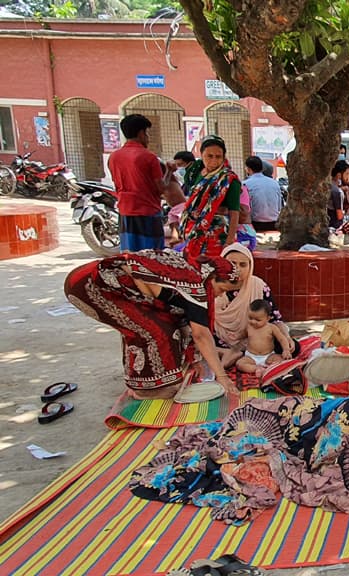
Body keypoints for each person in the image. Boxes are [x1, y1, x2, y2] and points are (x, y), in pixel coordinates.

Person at [64, 250, 239, 399]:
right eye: (221, 290)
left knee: (167, 323)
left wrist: (195, 360)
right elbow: (200, 334)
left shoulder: (197, 275)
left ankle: (150, 382)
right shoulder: (195, 283)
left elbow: (187, 322)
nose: (218, 296)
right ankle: (145, 389)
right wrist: (222, 377)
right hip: (90, 284)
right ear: (213, 278)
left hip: (113, 285)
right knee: (154, 331)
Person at [108, 114, 184, 252]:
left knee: (129, 256)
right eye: (147, 133)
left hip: (125, 212)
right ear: (141, 133)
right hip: (147, 213)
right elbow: (161, 188)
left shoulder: (114, 157)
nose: (148, 138)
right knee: (152, 256)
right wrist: (169, 171)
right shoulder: (149, 157)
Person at [214, 242, 297, 367]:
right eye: (232, 263)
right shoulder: (213, 285)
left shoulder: (258, 286)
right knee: (204, 342)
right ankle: (230, 353)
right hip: (221, 340)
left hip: (254, 340)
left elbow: (274, 318)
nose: (237, 269)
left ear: (250, 266)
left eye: (243, 265)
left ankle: (235, 355)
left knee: (292, 346)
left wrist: (286, 338)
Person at [179, 135, 242, 261]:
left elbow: (234, 212)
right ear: (201, 155)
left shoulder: (228, 180)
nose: (213, 160)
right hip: (194, 232)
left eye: (218, 157)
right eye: (209, 156)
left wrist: (229, 242)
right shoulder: (196, 173)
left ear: (224, 158)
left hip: (217, 236)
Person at [235, 300, 292, 374]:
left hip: (269, 355)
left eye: (258, 320)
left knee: (282, 360)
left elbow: (282, 339)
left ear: (268, 318)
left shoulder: (272, 328)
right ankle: (257, 369)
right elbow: (242, 335)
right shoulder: (248, 327)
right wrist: (236, 336)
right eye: (250, 318)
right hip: (251, 357)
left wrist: (286, 350)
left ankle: (269, 368)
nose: (253, 322)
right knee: (240, 364)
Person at [243, 155, 283, 232]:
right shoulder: (275, 183)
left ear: (248, 169)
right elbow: (279, 207)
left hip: (256, 224)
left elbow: (245, 209)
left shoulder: (245, 184)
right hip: (274, 223)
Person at [329, 160, 349, 230]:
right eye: (347, 174)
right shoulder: (337, 192)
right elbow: (340, 216)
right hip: (335, 225)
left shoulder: (329, 186)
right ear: (339, 175)